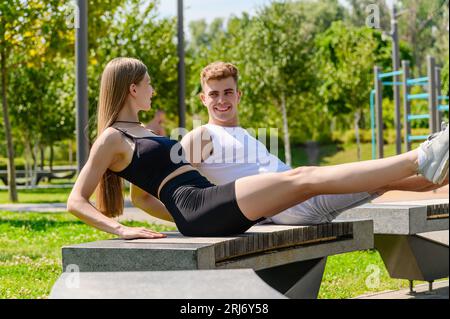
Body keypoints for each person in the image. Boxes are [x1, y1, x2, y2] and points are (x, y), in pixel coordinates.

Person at [67, 57, 449, 240]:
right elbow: (76, 201)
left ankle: (430, 166)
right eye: (148, 83)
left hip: (205, 206)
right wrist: (122, 230)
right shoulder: (112, 138)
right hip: (201, 208)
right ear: (133, 88)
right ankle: (422, 156)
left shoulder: (143, 131)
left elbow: (144, 199)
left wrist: (183, 221)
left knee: (305, 180)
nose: (153, 89)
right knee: (303, 179)